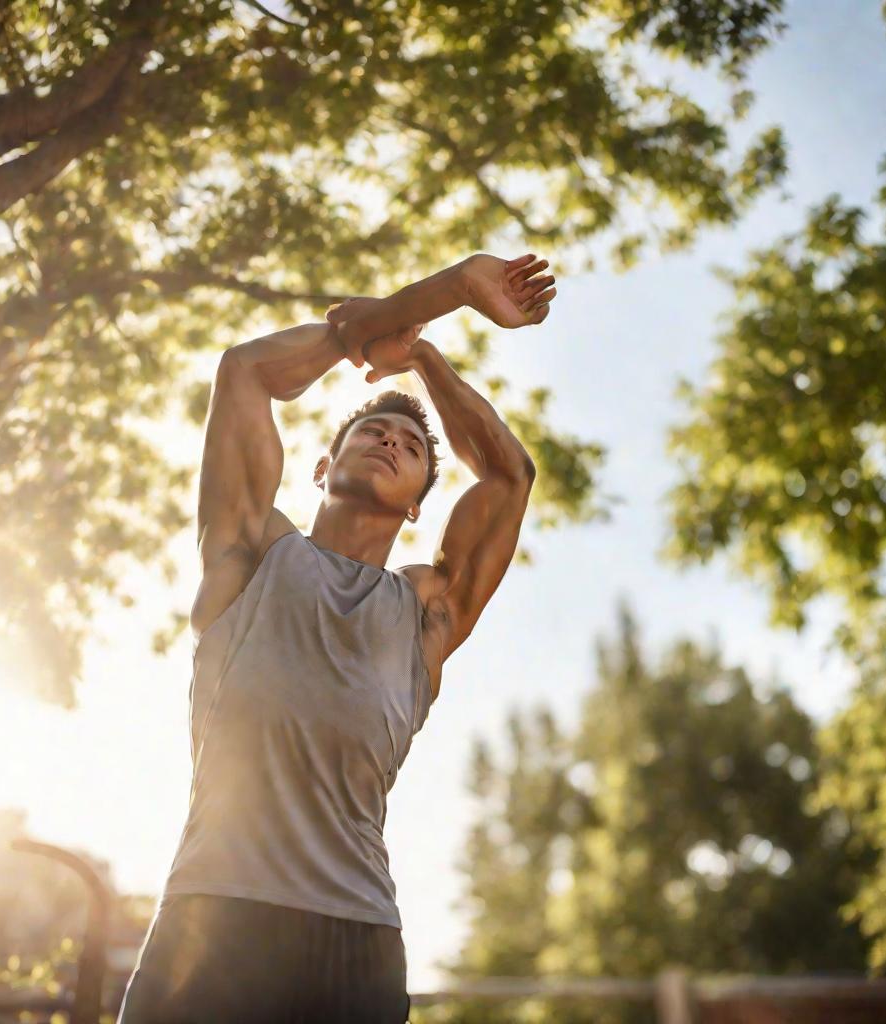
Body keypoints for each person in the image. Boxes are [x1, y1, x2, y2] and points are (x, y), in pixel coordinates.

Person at [115, 252, 557, 1023]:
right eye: (373, 431)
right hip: (213, 921)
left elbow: (508, 478)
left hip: (354, 942)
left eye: (411, 447)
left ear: (420, 503)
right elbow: (244, 373)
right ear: (322, 467)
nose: (391, 441)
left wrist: (421, 352)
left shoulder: (425, 611)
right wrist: (433, 294)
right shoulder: (252, 551)